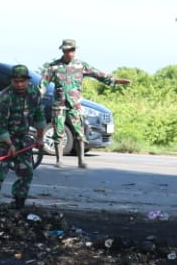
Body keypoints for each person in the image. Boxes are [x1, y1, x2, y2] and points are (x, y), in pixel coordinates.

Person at [41, 39, 130, 168]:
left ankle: (81, 160)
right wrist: (38, 96)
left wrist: (114, 81)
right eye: (68, 50)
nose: (70, 53)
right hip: (59, 105)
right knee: (58, 132)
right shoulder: (54, 66)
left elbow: (98, 74)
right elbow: (43, 83)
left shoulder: (80, 65)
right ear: (63, 50)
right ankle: (59, 159)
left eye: (72, 50)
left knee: (79, 133)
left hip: (75, 105)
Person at [0, 65, 46, 215]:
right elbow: (1, 125)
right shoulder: (5, 98)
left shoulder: (34, 93)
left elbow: (39, 116)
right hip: (2, 138)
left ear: (27, 80)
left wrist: (40, 137)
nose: (19, 84)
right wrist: (9, 145)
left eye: (22, 81)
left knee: (26, 171)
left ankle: (19, 202)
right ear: (11, 80)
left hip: (22, 136)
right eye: (16, 81)